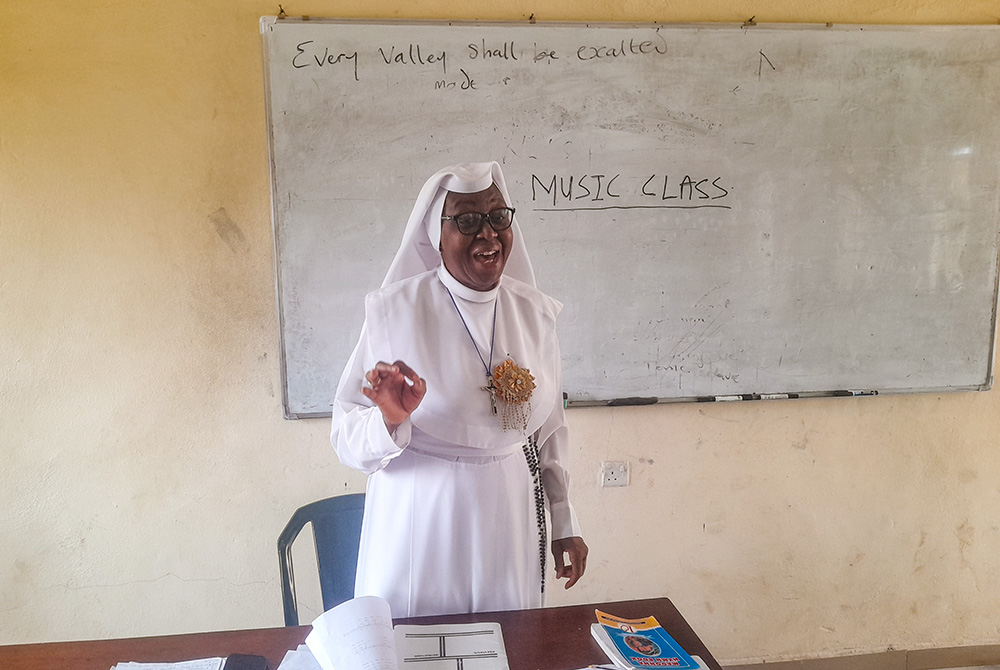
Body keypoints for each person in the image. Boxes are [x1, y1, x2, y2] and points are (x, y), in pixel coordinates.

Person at [330, 161, 588, 618]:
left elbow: (548, 428)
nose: (488, 234)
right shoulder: (394, 311)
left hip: (507, 512)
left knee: (508, 644)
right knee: (416, 647)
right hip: (420, 513)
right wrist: (390, 420)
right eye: (467, 220)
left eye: (497, 218)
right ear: (436, 233)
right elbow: (346, 439)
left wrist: (563, 516)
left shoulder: (533, 313)